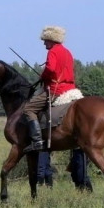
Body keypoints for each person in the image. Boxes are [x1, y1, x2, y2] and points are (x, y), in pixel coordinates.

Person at [23, 25, 76, 153]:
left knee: (28, 109)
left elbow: (51, 69)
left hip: (56, 89)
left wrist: (43, 75)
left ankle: (37, 141)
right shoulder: (68, 52)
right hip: (71, 89)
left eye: (45, 40)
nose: (44, 43)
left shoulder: (52, 51)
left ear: (52, 40)